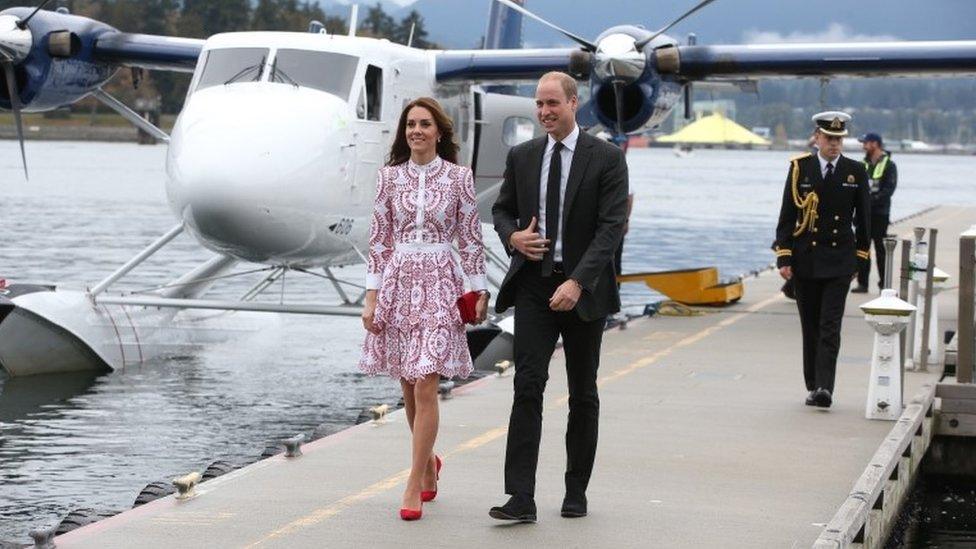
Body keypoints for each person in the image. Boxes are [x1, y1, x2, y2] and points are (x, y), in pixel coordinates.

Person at [490, 71, 629, 522]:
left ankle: (575, 490)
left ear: (574, 103)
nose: (545, 112)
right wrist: (514, 238)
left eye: (553, 103)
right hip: (534, 284)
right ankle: (521, 498)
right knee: (527, 385)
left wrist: (579, 282)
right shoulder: (523, 155)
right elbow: (501, 209)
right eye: (539, 104)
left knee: (582, 393)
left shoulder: (606, 158)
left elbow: (611, 229)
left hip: (583, 289)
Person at [358, 97, 489, 521]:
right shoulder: (388, 179)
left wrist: (480, 290)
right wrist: (371, 296)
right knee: (408, 383)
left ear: (439, 132)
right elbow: (379, 241)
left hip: (440, 281)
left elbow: (470, 238)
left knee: (427, 383)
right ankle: (429, 463)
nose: (416, 130)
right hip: (398, 282)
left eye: (424, 124)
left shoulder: (458, 178)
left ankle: (413, 481)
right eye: (410, 124)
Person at [773, 111, 870, 409]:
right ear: (816, 137)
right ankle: (813, 384)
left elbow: (863, 221)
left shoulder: (855, 171)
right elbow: (788, 216)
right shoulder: (800, 169)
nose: (835, 144)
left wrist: (860, 260)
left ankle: (826, 387)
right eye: (829, 138)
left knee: (830, 325)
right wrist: (784, 257)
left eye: (839, 139)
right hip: (806, 260)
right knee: (811, 326)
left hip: (839, 260)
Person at [853, 132, 897, 293]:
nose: (863, 146)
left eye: (865, 143)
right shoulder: (862, 164)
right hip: (863, 214)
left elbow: (888, 190)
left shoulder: (889, 165)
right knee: (862, 248)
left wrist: (870, 202)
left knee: (880, 250)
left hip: (880, 213)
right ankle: (862, 283)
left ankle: (883, 285)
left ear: (875, 144)